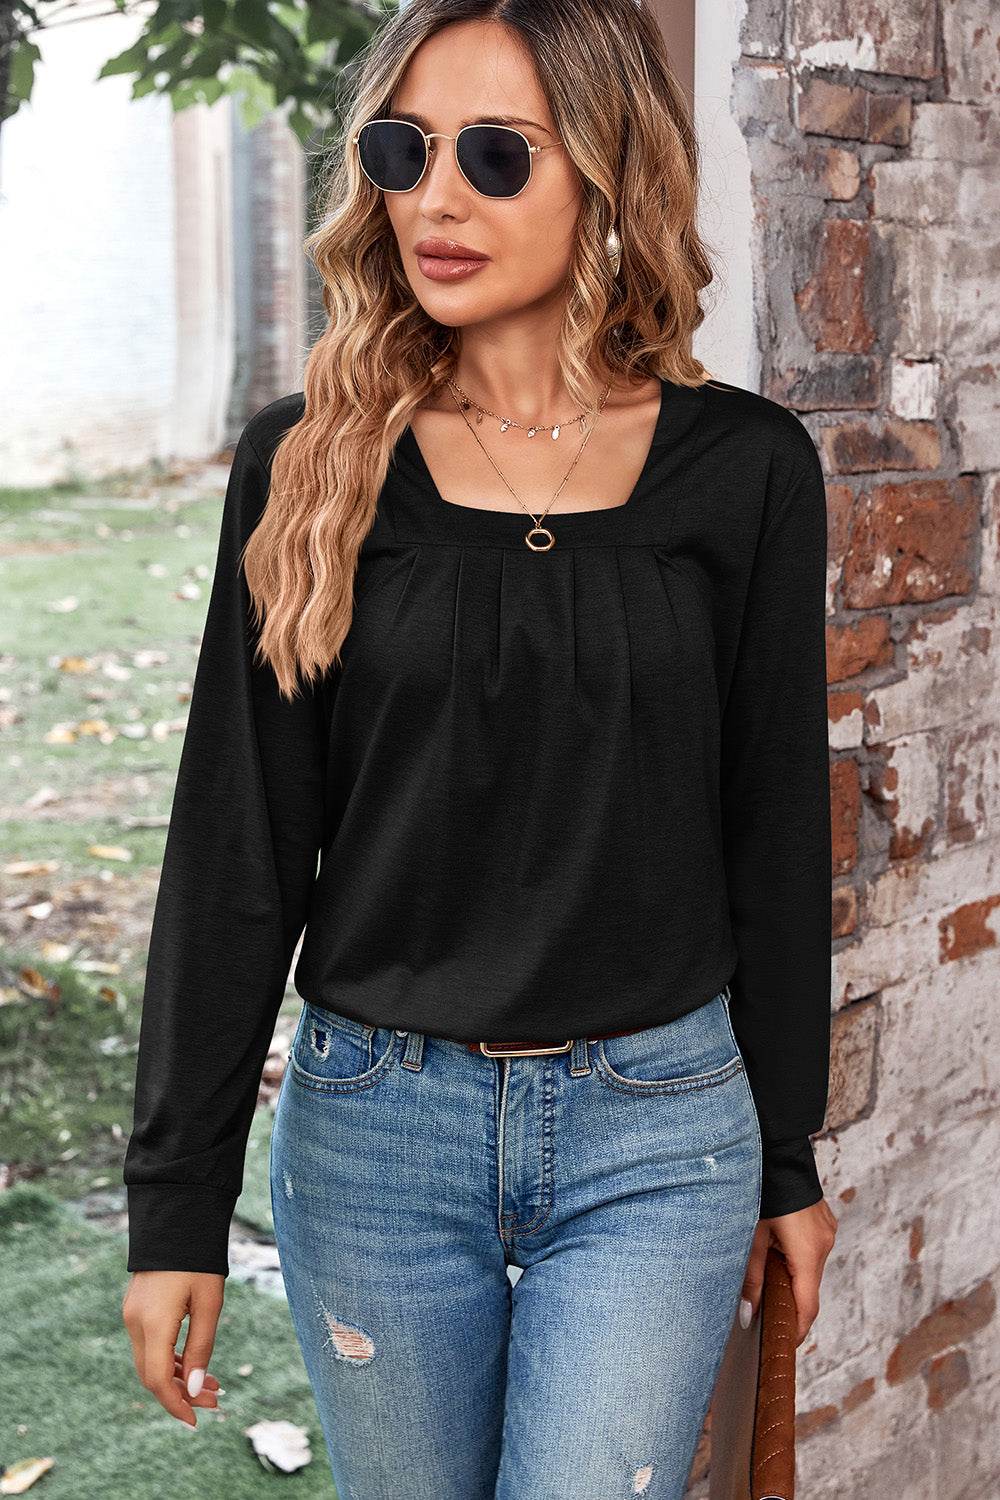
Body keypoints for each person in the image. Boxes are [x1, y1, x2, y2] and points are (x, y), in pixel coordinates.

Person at [121, 1, 838, 1494]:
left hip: (660, 1135)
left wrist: (788, 1158)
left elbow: (774, 834)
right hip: (377, 1140)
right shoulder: (309, 459)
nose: (435, 199)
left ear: (606, 173)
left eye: (497, 156)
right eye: (405, 150)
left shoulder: (748, 469)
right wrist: (175, 1204)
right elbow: (238, 847)